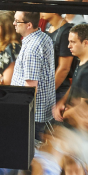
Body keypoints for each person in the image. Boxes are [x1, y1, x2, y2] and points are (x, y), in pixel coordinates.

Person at [12, 10, 56, 141]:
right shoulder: (44, 37)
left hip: (33, 116)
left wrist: (21, 113)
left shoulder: (32, 48)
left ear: (29, 25)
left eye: (17, 21)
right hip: (42, 112)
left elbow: (30, 88)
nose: (14, 23)